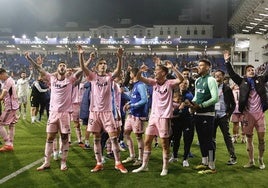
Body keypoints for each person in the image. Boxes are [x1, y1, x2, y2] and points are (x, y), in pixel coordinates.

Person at [25, 52, 82, 171]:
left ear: (66, 69)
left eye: (64, 66)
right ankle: (46, 162)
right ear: (57, 68)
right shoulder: (51, 78)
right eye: (60, 65)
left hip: (65, 114)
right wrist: (29, 58)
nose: (62, 67)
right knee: (49, 137)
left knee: (65, 138)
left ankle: (63, 162)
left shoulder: (70, 80)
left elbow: (82, 70)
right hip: (53, 113)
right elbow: (39, 68)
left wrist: (80, 57)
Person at [78, 45, 128, 173]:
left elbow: (118, 70)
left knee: (114, 138)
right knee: (96, 138)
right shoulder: (93, 77)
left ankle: (118, 163)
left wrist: (120, 57)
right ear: (96, 67)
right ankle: (99, 163)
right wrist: (81, 54)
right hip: (94, 112)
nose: (103, 65)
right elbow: (83, 68)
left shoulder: (109, 77)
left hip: (107, 112)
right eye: (101, 64)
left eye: (105, 64)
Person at [132, 61, 183, 176]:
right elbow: (139, 77)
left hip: (164, 117)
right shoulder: (154, 83)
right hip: (153, 116)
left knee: (164, 144)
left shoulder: (169, 83)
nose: (155, 71)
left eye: (157, 70)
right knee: (147, 141)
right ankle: (144, 165)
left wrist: (173, 68)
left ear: (164, 72)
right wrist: (141, 70)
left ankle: (165, 167)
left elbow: (181, 79)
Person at [224, 50, 268, 170]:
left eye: (253, 69)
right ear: (245, 73)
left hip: (259, 114)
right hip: (247, 115)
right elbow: (232, 74)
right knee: (249, 138)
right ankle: (251, 161)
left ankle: (261, 159)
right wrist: (227, 61)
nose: (251, 71)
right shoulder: (242, 81)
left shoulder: (261, 80)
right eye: (249, 70)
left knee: (261, 139)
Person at [189, 59, 218, 174]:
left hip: (208, 115)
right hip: (198, 114)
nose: (199, 67)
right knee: (201, 140)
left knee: (208, 141)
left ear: (208, 68)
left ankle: (211, 166)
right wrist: (191, 103)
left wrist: (201, 105)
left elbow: (215, 98)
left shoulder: (211, 80)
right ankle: (204, 162)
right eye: (199, 65)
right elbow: (196, 96)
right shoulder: (198, 80)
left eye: (202, 66)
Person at [122, 67, 148, 166]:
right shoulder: (135, 85)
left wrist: (132, 105)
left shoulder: (141, 85)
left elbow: (144, 100)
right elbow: (135, 98)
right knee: (126, 133)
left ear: (134, 74)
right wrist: (128, 103)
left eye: (131, 73)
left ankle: (140, 159)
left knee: (138, 136)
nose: (129, 75)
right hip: (131, 114)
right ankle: (132, 155)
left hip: (138, 115)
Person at [213, 69, 237, 165]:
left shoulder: (227, 89)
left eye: (219, 75)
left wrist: (228, 114)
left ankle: (233, 157)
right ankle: (212, 158)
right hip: (213, 115)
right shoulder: (212, 87)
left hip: (223, 115)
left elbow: (233, 104)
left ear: (223, 77)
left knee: (227, 137)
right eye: (216, 75)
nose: (217, 76)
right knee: (211, 138)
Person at [169, 79, 194, 167]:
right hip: (176, 120)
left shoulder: (189, 95)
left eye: (185, 83)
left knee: (187, 140)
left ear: (188, 85)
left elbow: (186, 103)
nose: (183, 85)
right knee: (176, 139)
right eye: (182, 83)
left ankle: (185, 159)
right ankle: (174, 156)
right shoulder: (174, 93)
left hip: (187, 120)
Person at [0, 68, 19, 152]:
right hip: (14, 106)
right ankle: (10, 144)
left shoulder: (8, 81)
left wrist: (1, 99)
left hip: (10, 107)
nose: (0, 78)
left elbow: (3, 94)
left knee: (0, 124)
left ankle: (8, 143)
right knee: (11, 125)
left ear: (2, 74)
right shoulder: (11, 80)